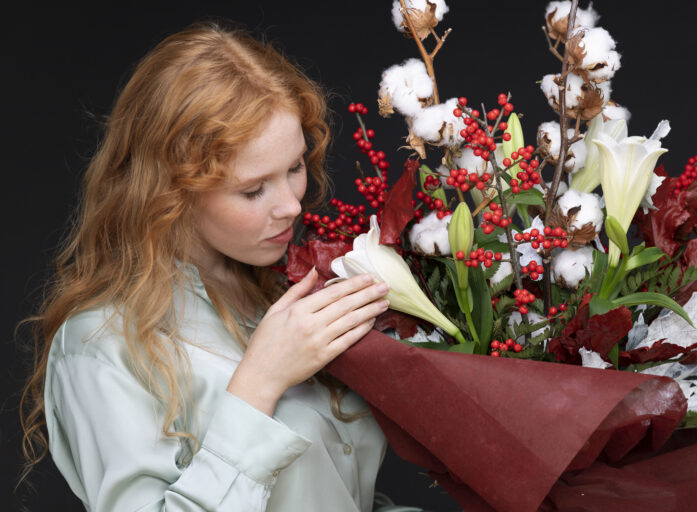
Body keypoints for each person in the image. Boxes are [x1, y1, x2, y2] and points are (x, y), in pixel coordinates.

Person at [17, 22, 422, 512]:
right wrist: (260, 383)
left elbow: (328, 495)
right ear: (171, 192)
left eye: (295, 167)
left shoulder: (279, 288)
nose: (292, 206)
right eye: (253, 190)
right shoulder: (102, 345)